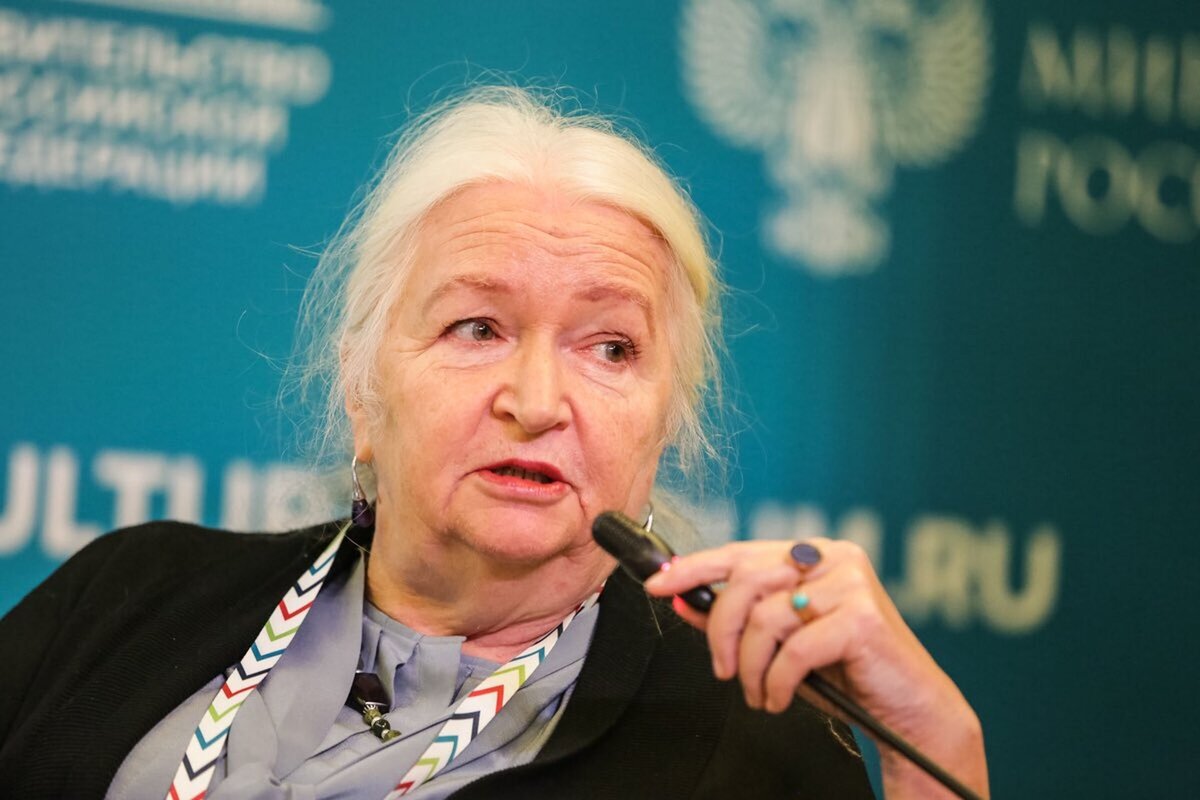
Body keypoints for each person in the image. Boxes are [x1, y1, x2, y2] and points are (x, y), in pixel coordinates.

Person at [0, 85, 987, 799]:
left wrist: (936, 752)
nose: (538, 400)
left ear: (665, 420)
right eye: (477, 327)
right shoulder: (131, 593)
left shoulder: (748, 754)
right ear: (362, 386)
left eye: (610, 347)